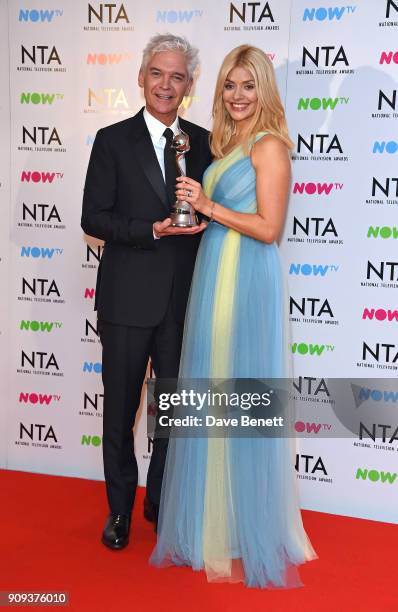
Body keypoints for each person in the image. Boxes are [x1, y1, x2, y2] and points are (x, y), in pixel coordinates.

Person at [150, 45, 316, 587]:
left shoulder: (269, 146)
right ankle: (215, 522)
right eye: (229, 85)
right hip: (216, 270)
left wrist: (208, 205)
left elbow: (270, 228)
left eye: (248, 85)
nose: (238, 96)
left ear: (264, 88)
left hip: (246, 280)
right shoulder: (226, 144)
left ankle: (244, 524)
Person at [81, 34, 212, 550]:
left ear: (188, 85)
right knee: (119, 412)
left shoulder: (204, 142)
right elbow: (94, 218)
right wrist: (152, 229)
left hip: (185, 302)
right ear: (141, 77)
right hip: (127, 302)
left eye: (177, 76)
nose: (166, 84)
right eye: (157, 73)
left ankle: (159, 497)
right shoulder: (112, 140)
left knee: (174, 410)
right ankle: (119, 509)